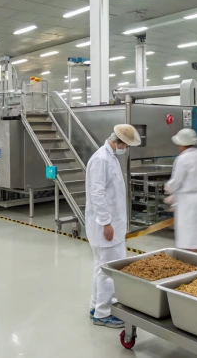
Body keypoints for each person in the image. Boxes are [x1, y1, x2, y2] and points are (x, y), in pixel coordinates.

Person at [85, 124, 141, 328]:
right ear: (120, 142)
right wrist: (106, 223)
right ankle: (103, 313)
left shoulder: (110, 157)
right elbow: (97, 194)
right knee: (109, 270)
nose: (126, 149)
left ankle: (96, 305)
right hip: (105, 227)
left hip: (111, 226)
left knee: (101, 268)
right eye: (127, 145)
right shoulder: (102, 159)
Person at [165, 128, 197, 252]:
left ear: (181, 144)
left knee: (188, 235)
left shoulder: (182, 158)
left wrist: (169, 188)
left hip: (187, 202)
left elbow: (176, 181)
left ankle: (189, 263)